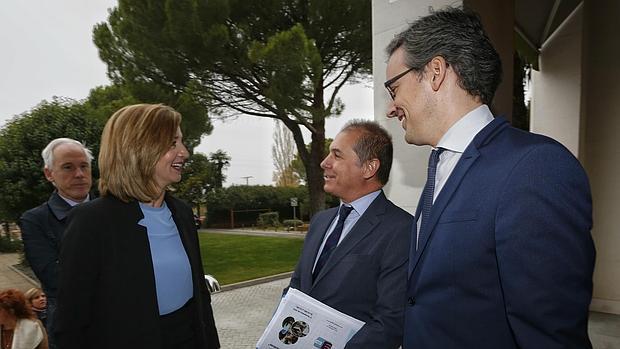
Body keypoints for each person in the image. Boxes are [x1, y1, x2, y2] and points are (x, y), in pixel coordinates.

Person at [384, 6, 595, 349]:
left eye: (394, 88)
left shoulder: (536, 168)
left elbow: (551, 334)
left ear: (435, 72)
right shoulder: (441, 168)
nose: (390, 108)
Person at [55, 104, 220, 349]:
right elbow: (70, 324)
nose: (184, 152)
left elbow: (201, 300)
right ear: (138, 149)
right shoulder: (92, 221)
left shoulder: (182, 213)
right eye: (173, 143)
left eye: (182, 142)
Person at [288, 120, 412, 348]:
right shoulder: (320, 221)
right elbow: (296, 288)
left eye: (337, 155)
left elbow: (390, 322)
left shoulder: (402, 229)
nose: (325, 163)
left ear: (369, 167)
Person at [19, 137, 93, 349]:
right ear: (49, 174)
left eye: (84, 166)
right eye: (68, 167)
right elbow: (56, 280)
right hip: (74, 331)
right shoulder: (34, 220)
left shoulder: (116, 210)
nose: (79, 174)